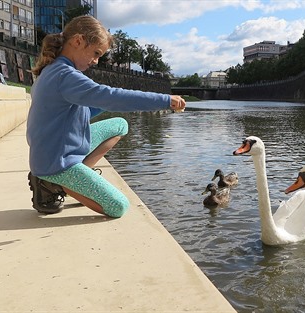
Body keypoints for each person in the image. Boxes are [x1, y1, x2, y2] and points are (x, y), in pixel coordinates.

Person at [26, 15, 186, 217]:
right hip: (56, 162)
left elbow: (83, 111)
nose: (96, 61)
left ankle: (74, 180)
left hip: (54, 149)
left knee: (119, 125)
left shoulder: (54, 70)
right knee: (117, 206)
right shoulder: (66, 76)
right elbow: (109, 96)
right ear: (78, 41)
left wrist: (107, 102)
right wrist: (164, 100)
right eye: (96, 53)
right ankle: (54, 183)